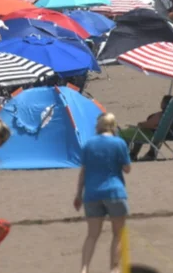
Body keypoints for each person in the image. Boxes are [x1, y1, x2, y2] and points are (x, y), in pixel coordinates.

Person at [75, 113, 132, 273]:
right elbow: (127, 169)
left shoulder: (88, 144)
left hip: (92, 193)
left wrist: (78, 194)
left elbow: (83, 172)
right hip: (114, 191)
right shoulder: (119, 143)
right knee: (118, 233)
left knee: (92, 234)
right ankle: (114, 268)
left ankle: (84, 268)